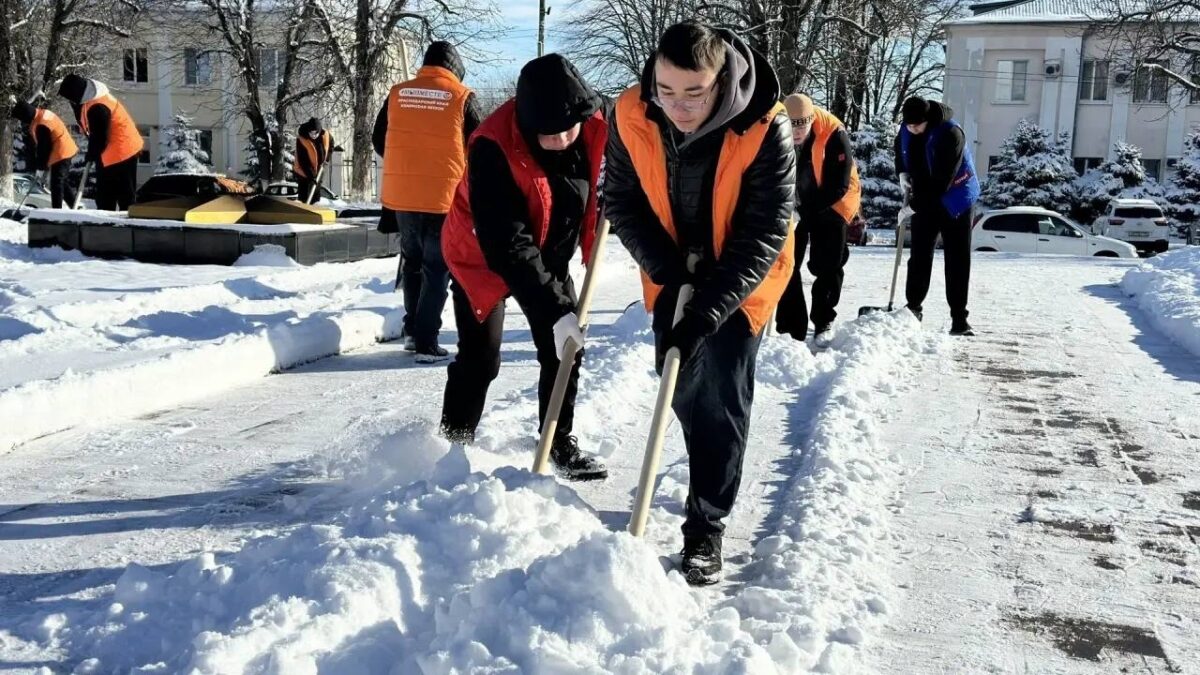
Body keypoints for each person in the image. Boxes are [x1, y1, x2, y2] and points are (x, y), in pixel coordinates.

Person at [605, 21, 795, 584]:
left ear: (721, 81)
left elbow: (764, 231)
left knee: (720, 395)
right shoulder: (630, 112)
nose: (679, 107)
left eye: (695, 92)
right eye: (666, 91)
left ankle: (706, 523)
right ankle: (704, 463)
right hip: (670, 267)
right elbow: (620, 197)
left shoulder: (765, 124)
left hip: (741, 276)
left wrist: (708, 309)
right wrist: (667, 272)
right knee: (682, 384)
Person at [438, 54, 609, 481]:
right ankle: (453, 447)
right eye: (549, 133)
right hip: (482, 256)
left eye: (569, 129)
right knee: (481, 358)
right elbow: (506, 245)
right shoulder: (492, 146)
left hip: (551, 252)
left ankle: (557, 441)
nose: (563, 140)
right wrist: (554, 310)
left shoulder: (595, 124)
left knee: (565, 349)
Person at [373, 41, 483, 360]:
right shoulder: (462, 97)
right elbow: (480, 146)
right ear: (455, 69)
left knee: (412, 263)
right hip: (443, 198)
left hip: (403, 196)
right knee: (437, 268)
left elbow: (379, 141)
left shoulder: (398, 94)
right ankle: (426, 341)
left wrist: (407, 159)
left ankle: (412, 331)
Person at [774, 93, 859, 347]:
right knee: (787, 262)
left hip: (834, 203)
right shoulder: (774, 130)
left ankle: (823, 320)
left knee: (828, 264)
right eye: (792, 126)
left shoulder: (834, 134)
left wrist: (806, 212)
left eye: (802, 126)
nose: (797, 132)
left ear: (812, 119)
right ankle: (790, 327)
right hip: (797, 203)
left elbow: (839, 185)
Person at [894, 96, 980, 336]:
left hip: (956, 198)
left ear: (928, 120)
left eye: (917, 126)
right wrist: (902, 172)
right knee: (919, 255)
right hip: (925, 195)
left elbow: (942, 182)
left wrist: (913, 207)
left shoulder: (951, 134)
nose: (912, 129)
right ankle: (912, 309)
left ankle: (959, 319)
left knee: (957, 258)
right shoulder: (908, 127)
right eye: (909, 125)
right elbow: (900, 148)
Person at [56, 74, 143, 210]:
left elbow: (100, 137)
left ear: (76, 93)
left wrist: (91, 154)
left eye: (70, 98)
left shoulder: (98, 106)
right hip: (111, 151)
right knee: (105, 196)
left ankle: (126, 220)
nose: (69, 101)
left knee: (124, 196)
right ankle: (105, 218)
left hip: (123, 151)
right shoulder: (88, 101)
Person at [10, 101, 79, 208]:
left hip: (61, 151)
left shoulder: (41, 124)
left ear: (26, 116)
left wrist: (41, 168)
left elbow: (44, 148)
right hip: (65, 147)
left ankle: (57, 211)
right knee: (61, 182)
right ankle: (75, 206)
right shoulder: (43, 114)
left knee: (56, 182)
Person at [293, 117, 333, 205]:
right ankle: (302, 208)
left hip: (318, 170)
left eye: (316, 133)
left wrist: (327, 158)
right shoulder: (302, 139)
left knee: (315, 194)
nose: (313, 135)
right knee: (304, 194)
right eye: (311, 133)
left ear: (319, 131)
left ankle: (314, 207)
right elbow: (303, 160)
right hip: (303, 171)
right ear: (308, 131)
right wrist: (312, 176)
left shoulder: (325, 135)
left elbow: (331, 145)